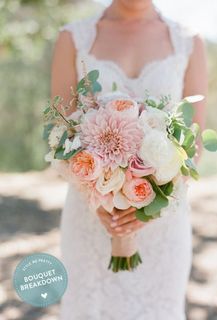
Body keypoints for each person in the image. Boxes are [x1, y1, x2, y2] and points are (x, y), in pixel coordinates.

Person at [51, 0, 207, 319]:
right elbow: (61, 135)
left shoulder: (189, 42)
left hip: (163, 222)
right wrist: (100, 198)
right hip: (90, 217)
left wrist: (153, 206)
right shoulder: (74, 38)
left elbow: (195, 142)